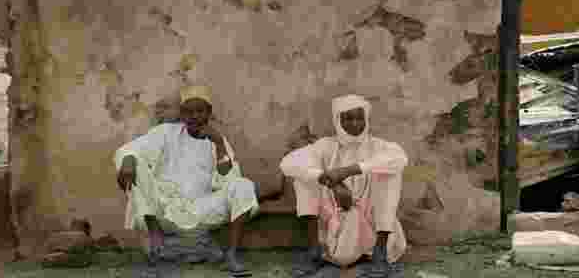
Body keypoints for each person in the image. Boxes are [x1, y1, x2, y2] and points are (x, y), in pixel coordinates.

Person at [114, 84, 259, 277]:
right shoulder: (166, 132)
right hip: (164, 209)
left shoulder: (217, 139)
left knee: (243, 186)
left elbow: (228, 180)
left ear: (209, 113)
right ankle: (156, 236)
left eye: (200, 111)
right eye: (189, 111)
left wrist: (219, 145)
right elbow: (132, 148)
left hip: (203, 209)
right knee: (132, 161)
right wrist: (129, 161)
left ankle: (231, 254)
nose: (195, 116)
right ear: (182, 114)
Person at [280, 95, 408, 278]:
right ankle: (314, 250)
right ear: (337, 120)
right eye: (348, 118)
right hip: (336, 223)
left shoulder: (378, 146)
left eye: (359, 118)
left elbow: (400, 159)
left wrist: (348, 171)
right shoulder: (326, 146)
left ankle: (380, 252)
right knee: (303, 178)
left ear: (366, 119)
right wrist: (329, 181)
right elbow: (288, 163)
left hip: (370, 222)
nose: (355, 123)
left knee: (390, 173)